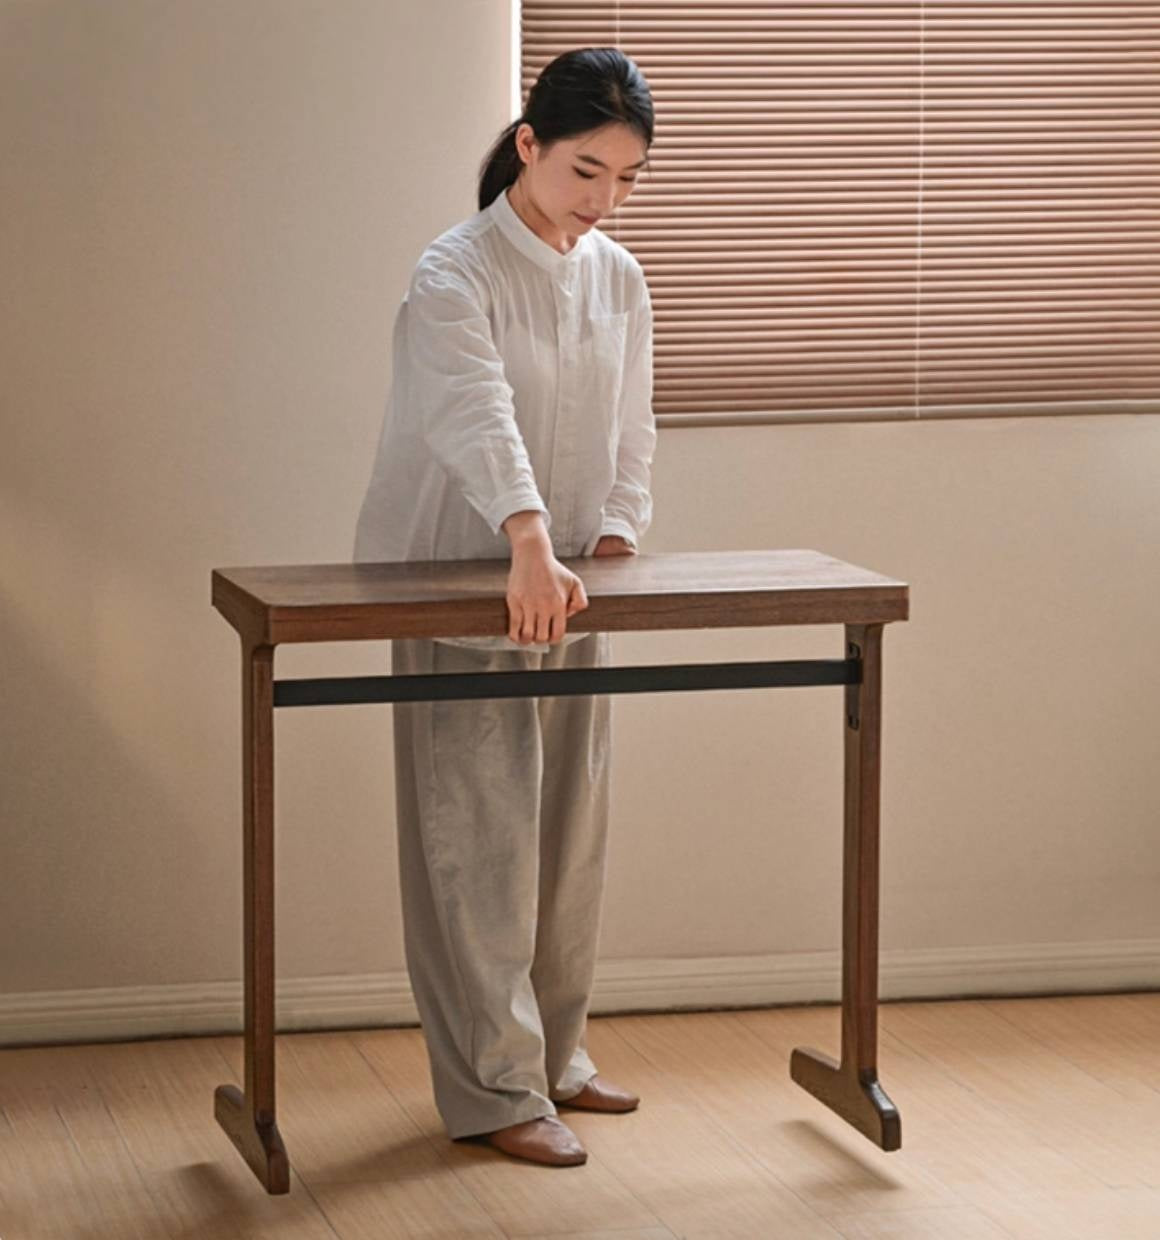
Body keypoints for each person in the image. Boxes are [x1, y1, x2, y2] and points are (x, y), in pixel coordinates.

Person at [352, 47, 657, 1168]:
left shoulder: (618, 275)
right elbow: (472, 414)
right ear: (526, 145)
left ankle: (555, 1057)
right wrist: (527, 538)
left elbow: (632, 426)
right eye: (585, 171)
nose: (602, 202)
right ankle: (492, 1088)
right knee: (477, 841)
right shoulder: (454, 271)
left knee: (568, 843)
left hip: (576, 588)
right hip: (462, 574)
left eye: (623, 181)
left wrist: (613, 535)